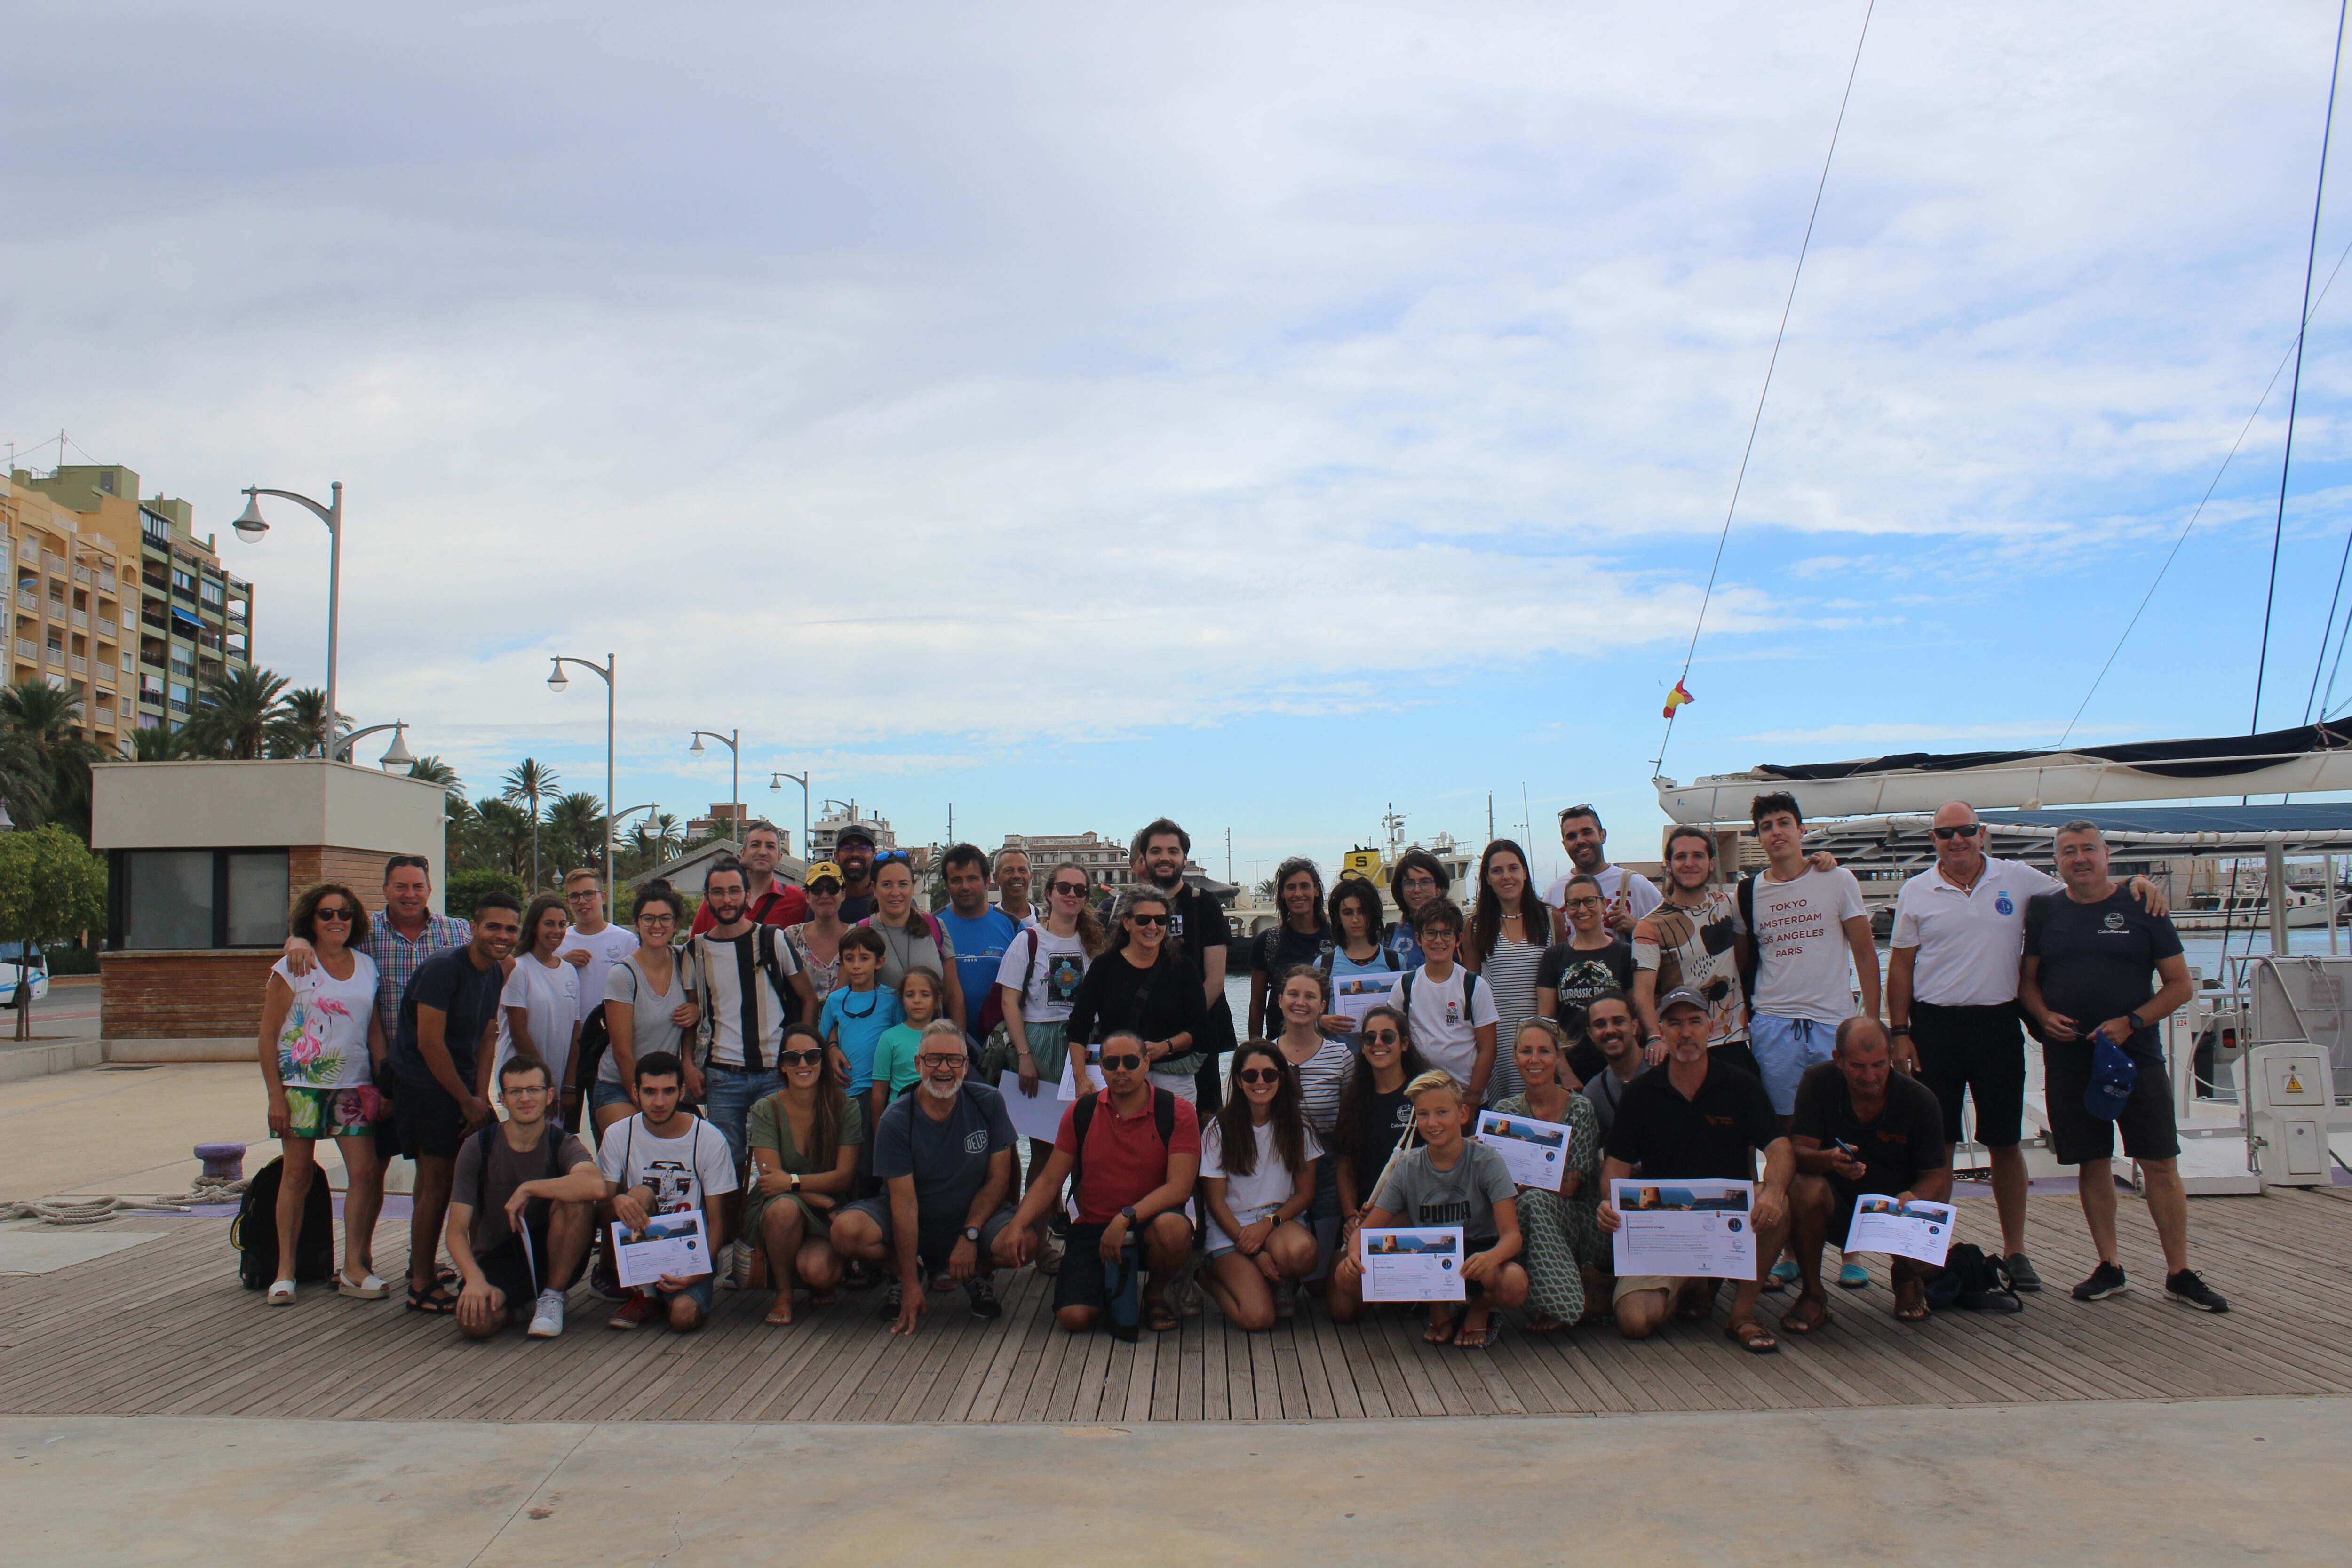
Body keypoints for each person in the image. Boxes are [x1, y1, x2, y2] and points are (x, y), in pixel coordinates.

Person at [1887, 800, 2167, 1293]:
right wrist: (1899, 1030)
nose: (1956, 841)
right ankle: (1930, 1255)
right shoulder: (1915, 891)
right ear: (1931, 840)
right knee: (1938, 1147)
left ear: (1982, 835)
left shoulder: (2016, 879)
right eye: (1944, 834)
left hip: (1996, 1022)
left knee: (2004, 1143)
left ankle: (2016, 1250)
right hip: (1933, 1027)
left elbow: (2083, 884)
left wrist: (2132, 884)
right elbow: (1901, 966)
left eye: (1965, 831)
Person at [2020, 820, 2224, 1311]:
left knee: (2158, 1161)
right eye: (2068, 852)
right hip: (2071, 1057)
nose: (2079, 859)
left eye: (2087, 849)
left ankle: (2178, 1270)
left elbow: (2178, 985)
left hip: (2134, 1056)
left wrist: (2131, 1022)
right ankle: (2108, 1265)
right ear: (2057, 861)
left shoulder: (2141, 905)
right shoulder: (2044, 910)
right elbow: (2026, 982)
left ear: (2106, 854)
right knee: (2091, 1162)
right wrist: (2043, 1016)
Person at [282, 853, 469, 1274]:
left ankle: (420, 1259)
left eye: (417, 886)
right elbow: (316, 937)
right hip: (381, 1074)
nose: (410, 894)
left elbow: (498, 958)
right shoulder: (362, 933)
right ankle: (359, 1260)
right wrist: (295, 940)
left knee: (432, 1172)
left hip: (436, 1075)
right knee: (372, 1170)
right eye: (400, 886)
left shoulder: (457, 932)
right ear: (385, 889)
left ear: (429, 889)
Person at [1597, 987, 1793, 1354]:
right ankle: (1694, 1281)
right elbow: (1616, 1165)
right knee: (1635, 1321)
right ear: (1661, 1030)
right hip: (1665, 1227)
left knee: (1777, 1203)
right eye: (1675, 1023)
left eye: (1694, 1022)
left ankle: (1742, 1313)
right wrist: (1608, 1201)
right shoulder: (1640, 1093)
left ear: (1712, 1026)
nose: (1685, 1033)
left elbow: (1779, 1147)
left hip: (1729, 1221)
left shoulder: (1740, 1083)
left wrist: (1774, 1189)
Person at [995, 1028, 1201, 1334]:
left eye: (1131, 1061)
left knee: (1175, 1230)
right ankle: (1109, 1288)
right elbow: (1051, 1179)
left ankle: (1156, 1293)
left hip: (1149, 1223)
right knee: (1074, 1318)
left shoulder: (1178, 1111)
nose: (1121, 1070)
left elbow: (1179, 1188)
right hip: (1094, 1227)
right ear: (1100, 1066)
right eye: (1111, 1063)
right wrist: (1017, 1225)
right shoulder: (1081, 1111)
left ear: (1147, 1063)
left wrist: (1124, 1219)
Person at [388, 890, 522, 1315]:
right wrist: (464, 1100)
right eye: (493, 927)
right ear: (472, 928)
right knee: (437, 1183)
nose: (502, 936)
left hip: (462, 1088)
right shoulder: (443, 969)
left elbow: (487, 1036)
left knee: (460, 1181)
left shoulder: (496, 972)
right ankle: (422, 1283)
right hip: (424, 1086)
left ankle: (449, 1265)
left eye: (511, 929)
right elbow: (429, 1042)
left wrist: (479, 1099)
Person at [834, 1025, 1020, 1330]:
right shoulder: (895, 1119)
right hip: (913, 1217)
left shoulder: (989, 1102)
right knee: (845, 1231)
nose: (944, 1068)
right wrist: (909, 1284)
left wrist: (970, 1234)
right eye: (934, 1059)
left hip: (967, 1216)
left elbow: (999, 1179)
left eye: (954, 1059)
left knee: (1023, 1241)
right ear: (917, 1064)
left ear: (966, 1064)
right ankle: (910, 1272)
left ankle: (968, 1271)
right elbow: (904, 1204)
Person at [255, 883, 389, 1304]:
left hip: (354, 1084)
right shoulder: (294, 966)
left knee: (366, 1173)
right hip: (302, 1086)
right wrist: (276, 1096)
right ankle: (285, 1272)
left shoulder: (368, 966)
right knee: (296, 1175)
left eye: (345, 914)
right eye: (327, 914)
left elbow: (373, 1030)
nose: (337, 921)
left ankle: (353, 1267)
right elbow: (267, 1033)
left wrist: (384, 1084)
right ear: (311, 919)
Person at [1329, 1070, 1529, 1349]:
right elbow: (1368, 1229)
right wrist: (1353, 1255)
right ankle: (1436, 1306)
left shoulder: (1487, 1160)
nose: (1432, 1123)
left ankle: (1480, 1308)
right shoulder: (1408, 1167)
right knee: (1345, 1276)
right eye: (1423, 1114)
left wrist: (1491, 1257)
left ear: (1462, 1114)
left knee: (1514, 1283)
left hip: (1479, 1253)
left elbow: (1512, 1237)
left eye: (1442, 1112)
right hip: (1430, 1257)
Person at [1784, 1018, 1952, 1332]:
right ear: (1838, 1059)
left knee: (1926, 1263)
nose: (1870, 1076)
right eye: (1858, 1066)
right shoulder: (1817, 1082)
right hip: (1838, 1206)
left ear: (1890, 1055)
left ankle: (1906, 1274)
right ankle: (1813, 1292)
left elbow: (1937, 1175)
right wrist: (1829, 1160)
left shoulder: (1920, 1100)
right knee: (1803, 1187)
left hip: (1893, 1210)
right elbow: (1797, 1152)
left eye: (1879, 1064)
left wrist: (1914, 1198)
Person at [684, 860, 810, 1249]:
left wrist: (799, 1054)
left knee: (779, 1166)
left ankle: (773, 1247)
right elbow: (692, 1015)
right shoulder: (696, 950)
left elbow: (807, 997)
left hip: (774, 1073)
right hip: (722, 1076)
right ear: (707, 898)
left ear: (746, 896)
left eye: (734, 891)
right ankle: (732, 1247)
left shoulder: (771, 940)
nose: (726, 899)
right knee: (727, 1167)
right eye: (718, 892)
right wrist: (688, 1064)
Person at [1740, 794, 1880, 1118]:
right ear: (1759, 838)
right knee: (1786, 1124)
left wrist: (1871, 1020)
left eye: (1784, 823)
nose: (1776, 831)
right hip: (1774, 1025)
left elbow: (1866, 954)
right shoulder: (1747, 893)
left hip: (1834, 1021)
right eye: (1766, 826)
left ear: (1801, 830)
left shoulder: (1838, 879)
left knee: (1842, 1118)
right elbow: (1740, 961)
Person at [448, 1054, 602, 1339]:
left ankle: (552, 1296)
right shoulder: (478, 1146)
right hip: (500, 1255)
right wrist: (474, 1279)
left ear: (549, 1096)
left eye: (533, 1090)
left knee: (577, 1198)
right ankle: (524, 1311)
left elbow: (596, 1185)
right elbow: (456, 1231)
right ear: (503, 1099)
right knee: (475, 1324)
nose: (525, 1098)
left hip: (555, 1252)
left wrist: (529, 1188)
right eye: (515, 1092)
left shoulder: (561, 1142)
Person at [997, 861, 1110, 1211]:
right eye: (1064, 888)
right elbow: (1010, 1001)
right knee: (1046, 1148)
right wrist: (1024, 1055)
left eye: (1080, 890)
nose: (1072, 895)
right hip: (1042, 1044)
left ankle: (1083, 1227)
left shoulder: (1094, 942)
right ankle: (1039, 1238)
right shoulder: (1029, 939)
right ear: (1049, 894)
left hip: (1087, 1044)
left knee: (1090, 1143)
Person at [598, 1051, 738, 1332]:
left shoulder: (708, 1138)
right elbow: (598, 1210)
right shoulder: (617, 1134)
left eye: (668, 1091)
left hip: (688, 1251)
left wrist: (698, 1271)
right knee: (637, 1194)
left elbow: (718, 1221)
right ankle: (646, 1292)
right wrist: (617, 1200)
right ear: (635, 1093)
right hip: (640, 1246)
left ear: (682, 1092)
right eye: (650, 1092)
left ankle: (665, 1298)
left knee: (684, 1318)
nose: (659, 1102)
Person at [744, 1020, 864, 1326]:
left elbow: (845, 1176)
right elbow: (773, 1181)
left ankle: (816, 1277)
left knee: (820, 1273)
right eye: (792, 1057)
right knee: (785, 1208)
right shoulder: (765, 1109)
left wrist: (793, 1182)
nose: (802, 1064)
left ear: (823, 1061)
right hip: (785, 1204)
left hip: (824, 1208)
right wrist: (823, 1200)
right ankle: (784, 1293)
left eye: (811, 1056)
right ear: (782, 1066)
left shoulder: (845, 1107)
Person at [1490, 1019, 1604, 1330]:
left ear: (1557, 1056)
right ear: (1515, 1057)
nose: (1535, 1059)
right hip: (1520, 1214)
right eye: (1526, 1051)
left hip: (1579, 1219)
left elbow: (1569, 1186)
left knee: (1535, 1200)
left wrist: (1520, 1182)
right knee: (1522, 1204)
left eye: (1544, 1051)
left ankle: (1562, 1303)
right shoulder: (1504, 1111)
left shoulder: (1580, 1108)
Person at [1199, 1042, 1322, 1329]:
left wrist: (1269, 1224)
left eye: (1270, 1074)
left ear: (1282, 1077)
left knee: (1304, 1253)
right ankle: (1204, 1278)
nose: (1261, 1082)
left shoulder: (1300, 1128)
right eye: (1251, 1076)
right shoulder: (1219, 1129)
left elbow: (1305, 1194)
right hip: (1231, 1228)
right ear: (1239, 1082)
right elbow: (1215, 1204)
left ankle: (1277, 1281)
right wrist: (1253, 1250)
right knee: (1258, 1318)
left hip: (1278, 1221)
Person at [1064, 885, 1210, 1103]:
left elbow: (1199, 1028)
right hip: (1119, 1075)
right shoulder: (1105, 966)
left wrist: (1165, 1047)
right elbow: (1079, 1024)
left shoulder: (1183, 967)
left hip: (1172, 1074)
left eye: (1161, 920)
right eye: (1144, 920)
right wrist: (1080, 1077)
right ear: (1127, 923)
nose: (1153, 926)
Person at [1126, 818, 1234, 1111]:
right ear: (1144, 858)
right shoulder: (1130, 909)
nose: (1165, 858)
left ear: (1184, 858)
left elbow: (1215, 980)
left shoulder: (1204, 904)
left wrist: (1181, 1033)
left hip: (1196, 1040)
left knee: (1203, 1125)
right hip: (1141, 1042)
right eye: (1156, 851)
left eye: (1173, 851)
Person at [1630, 827, 1754, 1076]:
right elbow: (1642, 993)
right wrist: (1655, 1037)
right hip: (1682, 1046)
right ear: (1669, 864)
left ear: (1711, 863)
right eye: (1681, 857)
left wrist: (1818, 863)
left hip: (1733, 1041)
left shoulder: (1731, 905)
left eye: (1698, 856)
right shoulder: (1650, 927)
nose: (1689, 864)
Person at [592, 882, 699, 1139]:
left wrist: (695, 1011)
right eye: (648, 919)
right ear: (637, 924)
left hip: (669, 1085)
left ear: (675, 925)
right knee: (638, 1143)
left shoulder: (685, 959)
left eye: (665, 919)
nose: (657, 926)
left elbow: (690, 1023)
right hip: (620, 1085)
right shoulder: (623, 975)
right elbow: (622, 1052)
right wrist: (644, 1100)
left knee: (697, 1143)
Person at [1270, 964, 1356, 1271]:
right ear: (1280, 1000)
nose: (1300, 1002)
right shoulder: (1264, 1055)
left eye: (1310, 997)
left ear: (1322, 1006)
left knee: (1319, 1275)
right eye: (1293, 994)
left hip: (1326, 1163)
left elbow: (1349, 1120)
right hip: (1275, 1164)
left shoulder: (1341, 1056)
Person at [1465, 838, 1553, 1105]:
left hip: (1542, 1038)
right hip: (1498, 1041)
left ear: (1525, 873)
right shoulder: (1476, 926)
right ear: (1488, 879)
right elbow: (1472, 992)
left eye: (1513, 868)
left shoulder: (1551, 919)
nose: (1507, 877)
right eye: (1497, 871)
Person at [1391, 901, 1500, 1105]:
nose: (1438, 941)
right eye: (1430, 933)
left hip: (1464, 1098)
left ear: (1458, 940)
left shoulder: (1475, 986)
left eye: (1447, 933)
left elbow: (1488, 1049)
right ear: (1419, 939)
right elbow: (1395, 1043)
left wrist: (1473, 1100)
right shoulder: (1404, 986)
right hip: (1418, 1095)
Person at [1332, 1003, 1430, 1225]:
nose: (1378, 1044)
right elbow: (1346, 1167)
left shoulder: (1426, 1095)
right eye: (1369, 1038)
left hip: (1417, 1215)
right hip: (1364, 1214)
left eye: (1387, 1037)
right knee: (1338, 1261)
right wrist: (1350, 1217)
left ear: (1405, 1044)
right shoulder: (1354, 1100)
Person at [1536, 872, 1637, 1084]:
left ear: (1603, 905)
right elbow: (1546, 1023)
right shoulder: (1554, 957)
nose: (1582, 910)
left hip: (1619, 1068)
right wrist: (1565, 1074)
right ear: (1567, 910)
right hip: (1571, 1070)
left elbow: (1637, 1016)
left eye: (1590, 901)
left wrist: (1619, 1068)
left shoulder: (1625, 954)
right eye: (1574, 904)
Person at [858, 853, 968, 1034]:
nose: (896, 893)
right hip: (879, 1048)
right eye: (887, 885)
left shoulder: (936, 927)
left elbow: (953, 994)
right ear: (874, 889)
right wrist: (833, 1045)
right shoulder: (861, 932)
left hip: (933, 1046)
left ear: (913, 887)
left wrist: (959, 1044)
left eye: (903, 884)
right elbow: (843, 998)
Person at [495, 893, 582, 1119]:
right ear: (534, 927)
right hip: (523, 1082)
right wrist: (544, 1083)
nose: (557, 931)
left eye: (562, 924)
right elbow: (518, 1033)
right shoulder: (519, 968)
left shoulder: (569, 971)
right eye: (549, 924)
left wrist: (568, 1085)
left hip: (556, 1085)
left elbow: (575, 1031)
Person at [554, 868, 638, 1096]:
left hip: (608, 1043)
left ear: (603, 897)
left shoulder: (626, 941)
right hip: (567, 1043)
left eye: (589, 894)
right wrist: (562, 964)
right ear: (568, 901)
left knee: (604, 1117)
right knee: (563, 1116)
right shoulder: (559, 941)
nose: (582, 901)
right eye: (574, 896)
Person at [935, 842, 1020, 1051]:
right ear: (947, 884)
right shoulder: (932, 927)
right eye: (956, 880)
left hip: (1002, 1048)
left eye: (972, 878)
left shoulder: (1012, 925)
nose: (965, 886)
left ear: (987, 881)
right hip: (947, 1047)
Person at [1543, 804, 1664, 937]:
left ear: (1603, 835)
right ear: (1564, 844)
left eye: (1587, 832)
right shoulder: (1554, 892)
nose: (1580, 841)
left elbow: (1672, 935)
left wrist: (1637, 928)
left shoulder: (1635, 884)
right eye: (1572, 837)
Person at [818, 927, 905, 1106]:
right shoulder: (835, 1000)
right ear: (842, 962)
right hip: (841, 1092)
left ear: (879, 962)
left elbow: (902, 1039)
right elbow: (820, 1041)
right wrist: (832, 1048)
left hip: (880, 1090)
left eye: (864, 958)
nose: (856, 965)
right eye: (850, 959)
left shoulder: (892, 999)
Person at [1249, 857, 1329, 1036]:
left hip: (1328, 1044)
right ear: (1283, 894)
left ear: (1316, 890)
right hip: (1280, 1044)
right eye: (1291, 888)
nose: (1298, 894)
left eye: (1305, 886)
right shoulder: (1269, 941)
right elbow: (1257, 1004)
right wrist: (1254, 1048)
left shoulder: (1336, 938)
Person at [689, 819, 811, 936]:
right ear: (742, 854)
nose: (763, 852)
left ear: (779, 857)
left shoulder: (799, 900)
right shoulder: (718, 900)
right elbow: (696, 948)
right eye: (755, 845)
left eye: (770, 847)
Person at [868, 966, 947, 1128]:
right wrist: (880, 1133)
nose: (917, 1000)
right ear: (902, 1001)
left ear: (938, 1001)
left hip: (940, 1120)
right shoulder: (889, 1038)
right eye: (910, 995)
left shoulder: (949, 1037)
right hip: (901, 1121)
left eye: (925, 995)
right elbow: (879, 1092)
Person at [1323, 877, 1405, 1034]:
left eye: (1362, 912)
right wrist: (1321, 1021)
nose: (1356, 919)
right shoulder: (1324, 964)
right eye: (1348, 913)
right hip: (1339, 1056)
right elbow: (1314, 1014)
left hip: (1383, 1053)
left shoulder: (1395, 961)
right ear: (1338, 918)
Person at [782, 861, 850, 1004]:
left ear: (843, 894)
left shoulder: (856, 936)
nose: (825, 895)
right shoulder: (791, 937)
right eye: (817, 889)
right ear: (807, 896)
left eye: (832, 889)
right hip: (801, 1024)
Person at [1579, 991, 1643, 1138]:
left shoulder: (1663, 1067)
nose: (1610, 1030)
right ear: (1590, 1034)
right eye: (1600, 1024)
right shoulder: (1594, 1092)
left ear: (1635, 1026)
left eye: (1618, 1021)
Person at [1383, 849, 1452, 968]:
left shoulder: (1455, 931)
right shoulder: (1390, 933)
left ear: (1438, 887)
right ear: (1401, 891)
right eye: (1409, 883)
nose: (1417, 890)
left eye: (1425, 882)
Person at [833, 823, 881, 923]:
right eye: (847, 848)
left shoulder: (889, 899)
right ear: (836, 857)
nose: (855, 854)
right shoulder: (827, 902)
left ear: (874, 855)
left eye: (863, 848)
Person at [993, 845, 1037, 928]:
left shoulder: (1043, 921)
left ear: (1031, 876)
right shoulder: (990, 922)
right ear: (996, 878)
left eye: (1022, 870)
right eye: (1009, 871)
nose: (1017, 876)